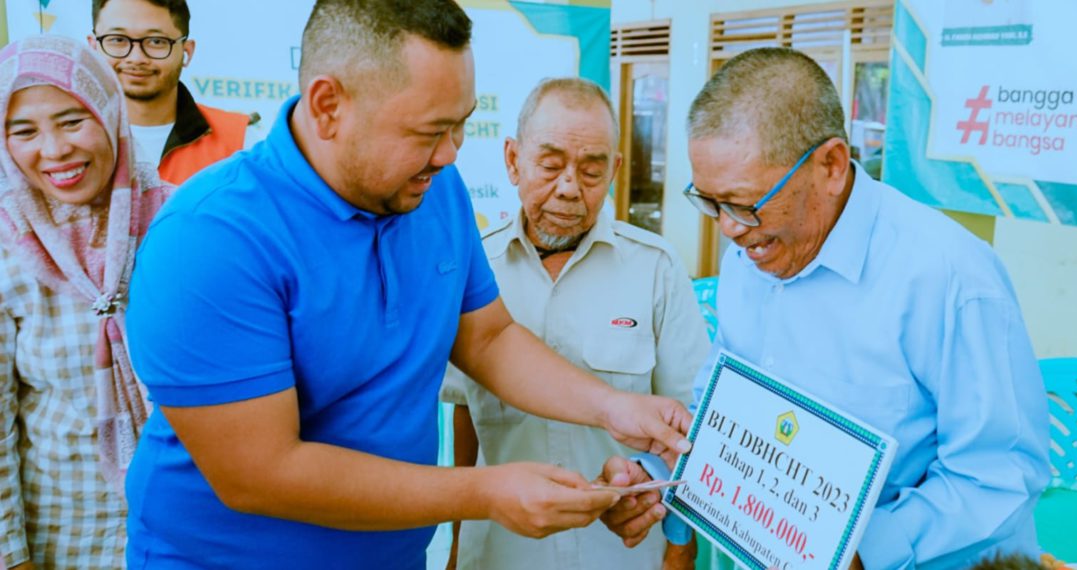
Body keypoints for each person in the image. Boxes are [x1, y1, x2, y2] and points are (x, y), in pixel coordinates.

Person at [122, 1, 691, 569]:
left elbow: (489, 338)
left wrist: (611, 407)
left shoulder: (434, 190)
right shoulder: (211, 238)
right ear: (328, 107)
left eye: (462, 123)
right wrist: (486, 492)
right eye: (429, 131)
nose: (450, 153)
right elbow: (261, 473)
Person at [598, 47, 1050, 569]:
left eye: (745, 204)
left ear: (831, 166)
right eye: (711, 202)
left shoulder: (949, 278)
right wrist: (657, 474)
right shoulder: (749, 257)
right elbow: (725, 418)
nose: (729, 229)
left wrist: (864, 551)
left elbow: (1000, 479)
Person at [440, 77, 708, 570]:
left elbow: (689, 429)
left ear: (614, 171)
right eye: (550, 165)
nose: (569, 188)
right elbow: (465, 415)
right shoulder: (474, 268)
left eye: (591, 171)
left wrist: (679, 550)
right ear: (513, 160)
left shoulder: (656, 269)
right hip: (502, 552)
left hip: (622, 554)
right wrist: (458, 543)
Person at [0, 35, 172, 570]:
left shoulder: (179, 224)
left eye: (72, 121)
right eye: (23, 131)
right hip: (60, 538)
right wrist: (12, 557)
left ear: (109, 113)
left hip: (183, 529)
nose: (54, 150)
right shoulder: (8, 247)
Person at [89, 0, 250, 185]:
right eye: (118, 40)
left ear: (186, 52)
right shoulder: (70, 140)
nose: (136, 58)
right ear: (93, 47)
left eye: (156, 41)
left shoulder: (239, 141)